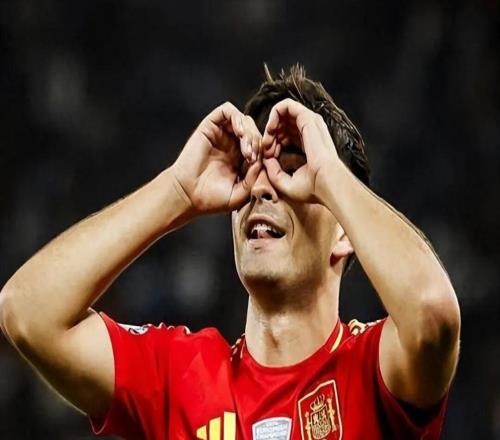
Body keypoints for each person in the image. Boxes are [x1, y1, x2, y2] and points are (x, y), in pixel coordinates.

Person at [0, 65, 460, 440]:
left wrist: (330, 175)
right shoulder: (179, 377)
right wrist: (177, 191)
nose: (261, 188)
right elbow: (28, 312)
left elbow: (433, 313)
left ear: (344, 233)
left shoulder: (373, 368)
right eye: (250, 171)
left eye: (291, 173)